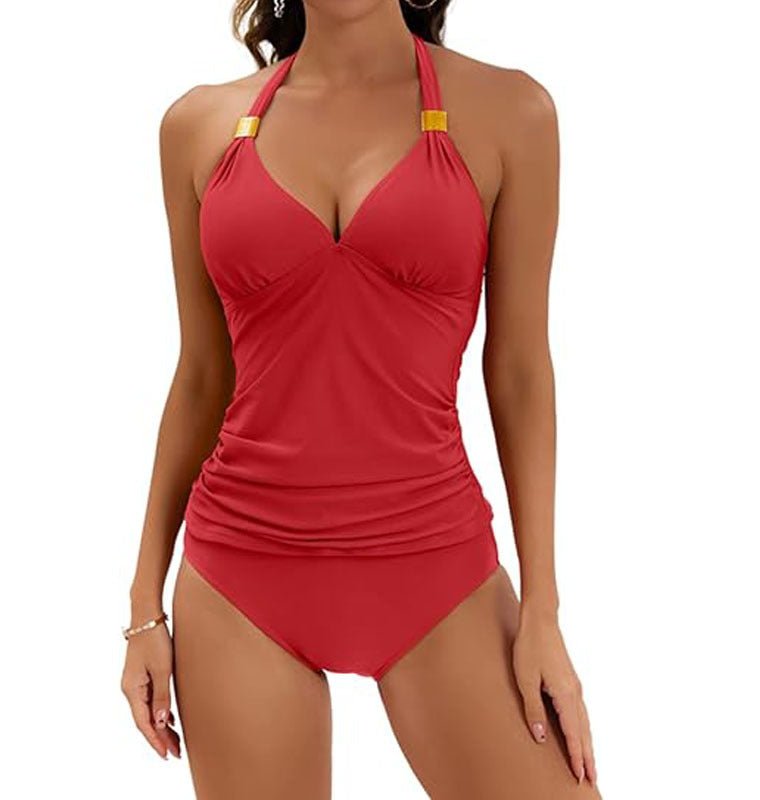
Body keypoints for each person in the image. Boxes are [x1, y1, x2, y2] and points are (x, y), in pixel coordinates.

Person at [120, 1, 602, 797]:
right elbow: (204, 373)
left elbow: (518, 370)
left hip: (436, 568)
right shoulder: (197, 127)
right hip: (239, 577)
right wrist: (145, 603)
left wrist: (542, 614)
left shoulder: (511, 113)